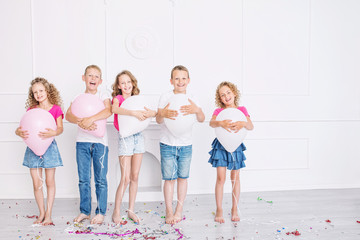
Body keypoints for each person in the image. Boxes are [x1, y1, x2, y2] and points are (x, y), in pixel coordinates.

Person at [156, 65, 205, 224]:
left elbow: (201, 118)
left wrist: (197, 110)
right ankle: (169, 211)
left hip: (186, 144)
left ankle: (179, 209)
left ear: (188, 80)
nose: (180, 81)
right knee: (169, 179)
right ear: (171, 81)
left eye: (183, 78)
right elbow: (158, 120)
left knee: (183, 177)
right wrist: (162, 113)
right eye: (177, 78)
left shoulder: (192, 98)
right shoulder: (165, 96)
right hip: (167, 143)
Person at [65, 65, 112, 224]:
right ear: (83, 78)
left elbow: (108, 111)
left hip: (100, 143)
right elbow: (68, 115)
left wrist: (90, 119)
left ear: (100, 80)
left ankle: (100, 212)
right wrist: (81, 122)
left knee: (100, 179)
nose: (93, 78)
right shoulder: (78, 96)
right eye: (90, 75)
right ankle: (85, 211)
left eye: (96, 76)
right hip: (82, 143)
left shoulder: (103, 93)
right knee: (84, 179)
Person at [15, 77, 64, 225]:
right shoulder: (31, 110)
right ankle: (41, 213)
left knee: (49, 182)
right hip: (32, 148)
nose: (38, 94)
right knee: (37, 183)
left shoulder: (56, 109)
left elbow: (60, 128)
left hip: (50, 147)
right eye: (35, 92)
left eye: (41, 90)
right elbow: (20, 128)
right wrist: (18, 132)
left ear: (48, 91)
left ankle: (48, 214)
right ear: (32, 95)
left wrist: (53, 133)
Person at [111, 70, 156, 224]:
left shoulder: (137, 99)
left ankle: (131, 210)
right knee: (125, 178)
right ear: (118, 86)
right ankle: (116, 211)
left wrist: (149, 113)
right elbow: (114, 110)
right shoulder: (117, 99)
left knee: (135, 176)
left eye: (128, 82)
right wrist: (133, 113)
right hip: (125, 138)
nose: (126, 85)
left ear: (133, 83)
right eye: (123, 83)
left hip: (138, 137)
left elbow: (148, 113)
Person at [208, 81, 254, 223]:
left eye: (228, 92)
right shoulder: (219, 112)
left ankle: (234, 208)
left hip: (236, 145)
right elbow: (211, 123)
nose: (226, 96)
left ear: (234, 93)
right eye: (222, 95)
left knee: (235, 178)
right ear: (220, 99)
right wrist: (220, 123)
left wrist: (243, 123)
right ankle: (219, 208)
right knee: (221, 178)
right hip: (221, 146)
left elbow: (250, 126)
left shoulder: (242, 110)